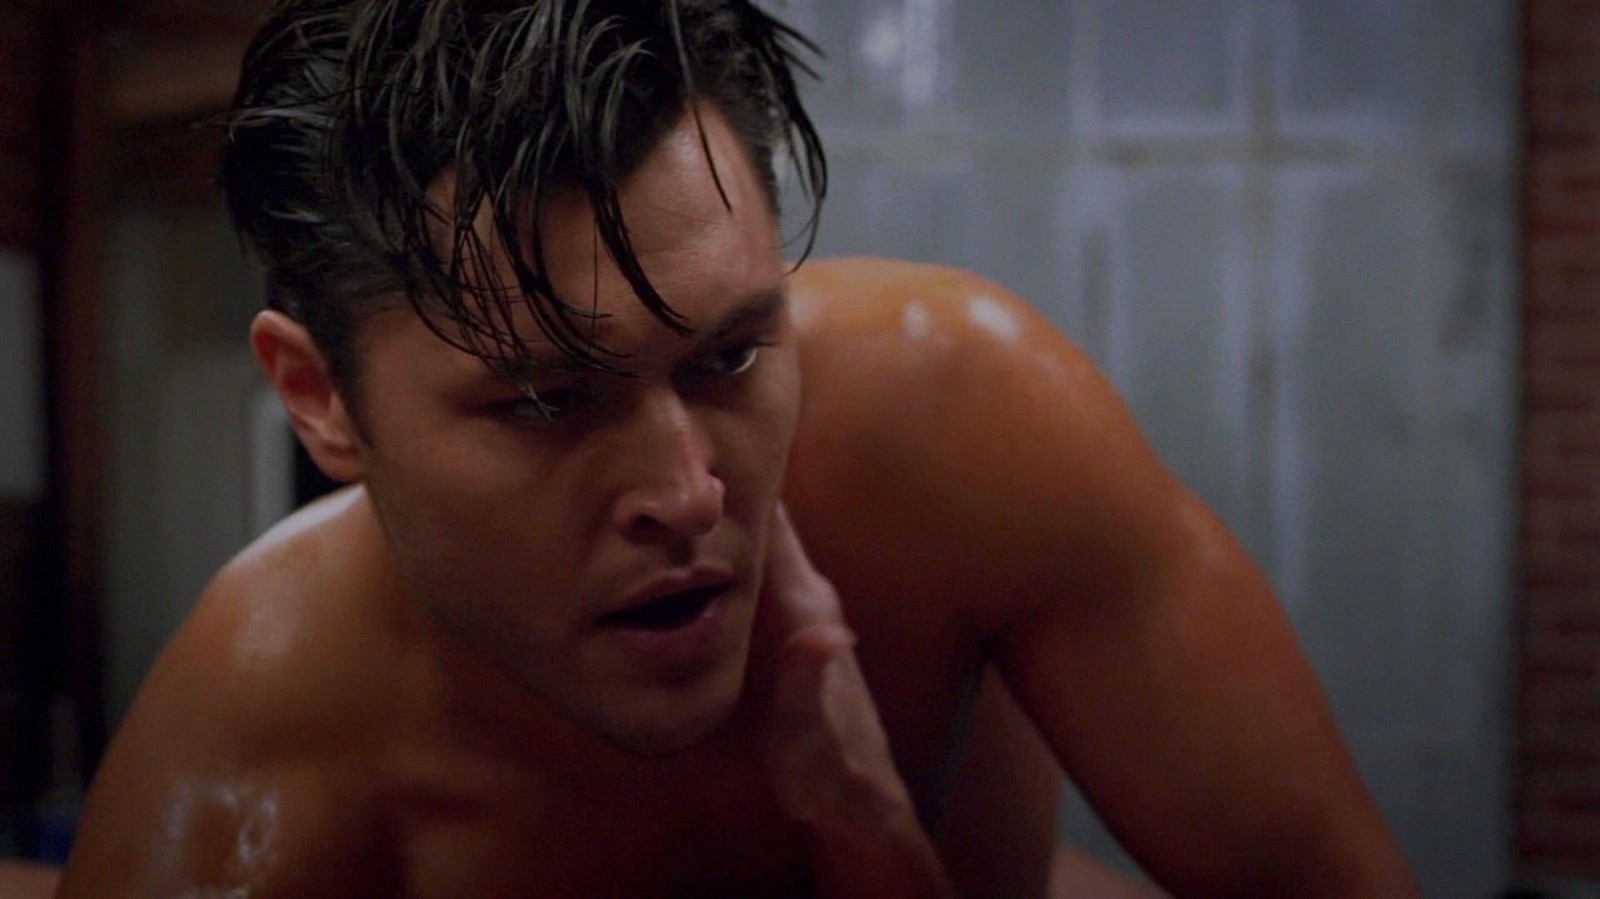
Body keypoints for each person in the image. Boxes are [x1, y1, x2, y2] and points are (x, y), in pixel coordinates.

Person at [57, 1, 1420, 896]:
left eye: (729, 356)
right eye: (545, 401)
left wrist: (875, 842)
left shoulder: (962, 418)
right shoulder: (254, 776)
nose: (686, 492)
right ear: (321, 401)